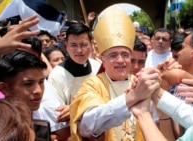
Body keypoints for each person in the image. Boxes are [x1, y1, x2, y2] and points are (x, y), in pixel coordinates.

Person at [69, 5, 161, 141]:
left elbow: (156, 121)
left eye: (125, 54)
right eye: (113, 55)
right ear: (102, 59)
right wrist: (132, 97)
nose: (120, 60)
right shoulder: (92, 84)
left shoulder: (139, 81)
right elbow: (86, 126)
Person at [47, 22, 101, 125]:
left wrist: (77, 108)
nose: (79, 50)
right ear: (66, 46)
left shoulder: (97, 67)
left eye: (84, 45)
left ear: (91, 44)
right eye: (73, 45)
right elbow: (59, 114)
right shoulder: (57, 76)